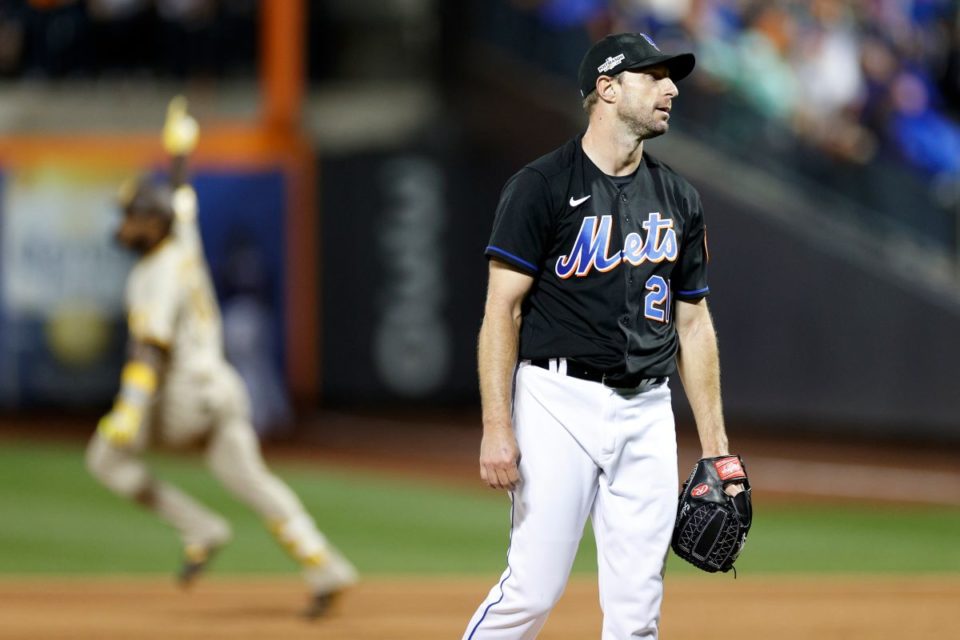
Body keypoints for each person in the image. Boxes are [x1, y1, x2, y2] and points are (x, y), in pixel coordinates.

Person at [463, 33, 742, 639]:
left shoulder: (679, 198)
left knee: (638, 610)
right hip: (556, 402)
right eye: (654, 77)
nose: (671, 89)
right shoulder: (539, 186)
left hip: (646, 408)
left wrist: (717, 449)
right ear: (608, 89)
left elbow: (693, 324)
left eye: (672, 79)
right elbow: (501, 313)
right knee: (531, 592)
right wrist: (496, 426)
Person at [85, 97, 356, 618]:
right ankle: (324, 564)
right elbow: (182, 198)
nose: (123, 223)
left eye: (130, 215)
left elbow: (152, 346)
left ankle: (199, 526)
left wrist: (130, 410)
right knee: (255, 483)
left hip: (183, 398)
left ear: (150, 223)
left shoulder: (156, 273)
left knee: (106, 456)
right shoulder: (180, 236)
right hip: (225, 390)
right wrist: (180, 151)